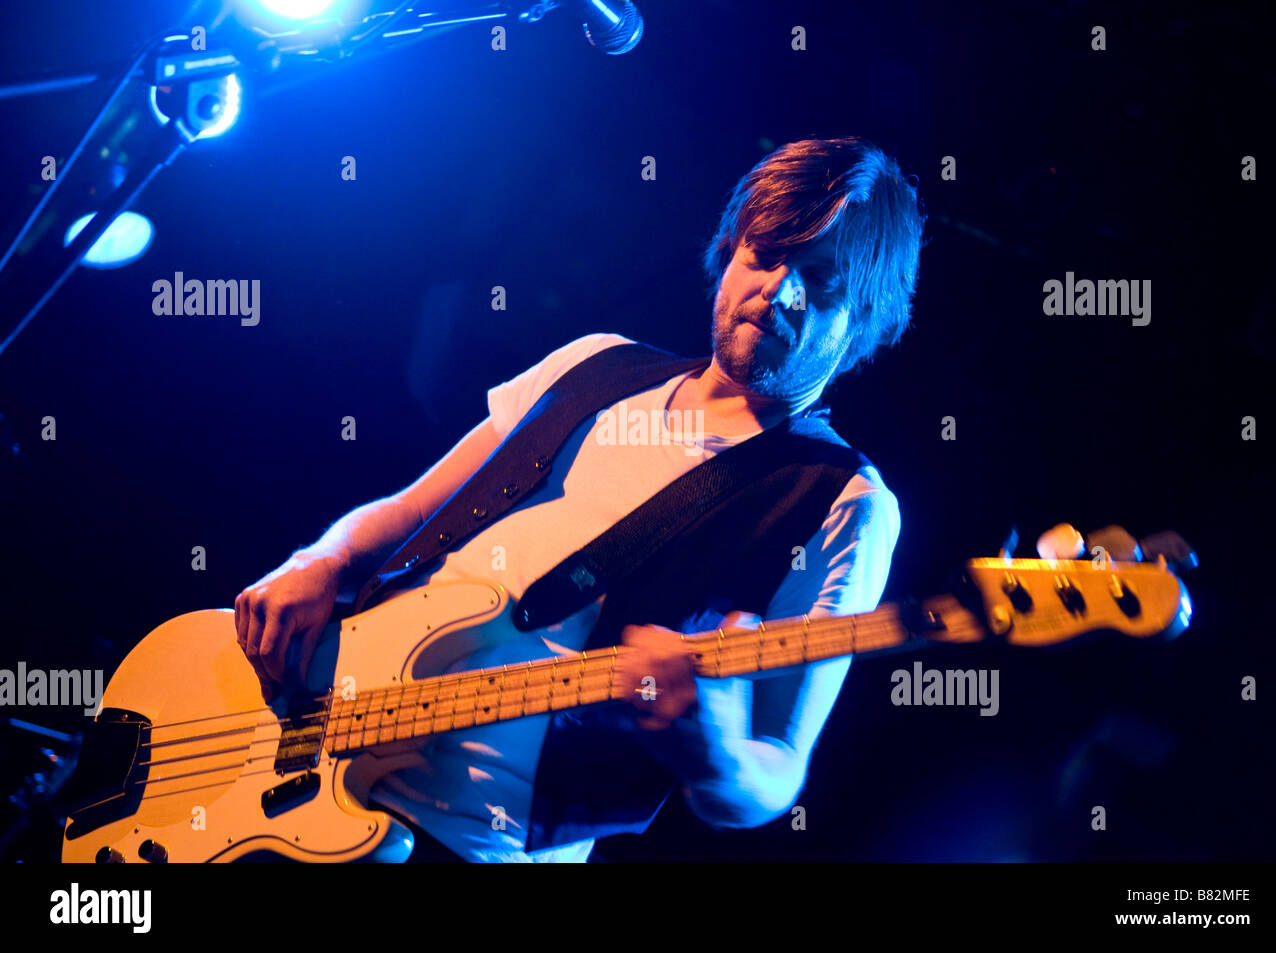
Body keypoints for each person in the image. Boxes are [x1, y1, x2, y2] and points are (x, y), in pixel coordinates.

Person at [233, 136, 924, 862]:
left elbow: (778, 771)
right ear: (729, 249)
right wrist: (321, 558)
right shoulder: (596, 363)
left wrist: (715, 747)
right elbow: (408, 513)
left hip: (472, 841)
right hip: (303, 755)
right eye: (765, 254)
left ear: (867, 318)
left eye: (820, 281)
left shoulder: (843, 500)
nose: (780, 291)